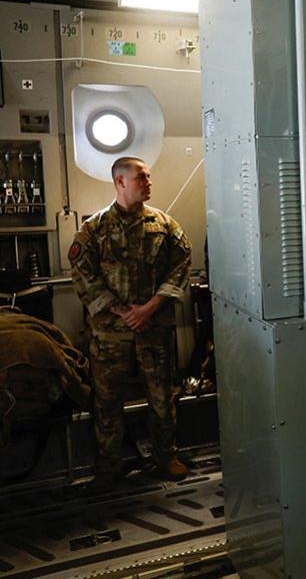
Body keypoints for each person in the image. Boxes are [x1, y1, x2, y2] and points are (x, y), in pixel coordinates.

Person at [69, 156, 192, 489]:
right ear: (120, 181)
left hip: (154, 328)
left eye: (149, 176)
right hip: (110, 335)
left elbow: (181, 267)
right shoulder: (93, 230)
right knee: (107, 401)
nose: (149, 182)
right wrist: (125, 312)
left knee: (162, 396)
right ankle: (108, 467)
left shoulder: (166, 226)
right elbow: (83, 275)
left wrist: (149, 308)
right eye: (142, 177)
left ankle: (166, 455)